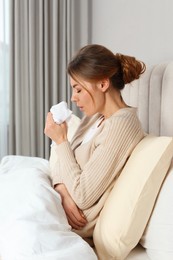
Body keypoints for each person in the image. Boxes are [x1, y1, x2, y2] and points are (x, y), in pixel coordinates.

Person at [44, 44, 146, 244]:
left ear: (102, 84)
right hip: (58, 201)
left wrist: (61, 141)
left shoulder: (122, 126)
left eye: (78, 89)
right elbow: (61, 165)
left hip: (70, 222)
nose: (73, 98)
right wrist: (62, 189)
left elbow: (83, 196)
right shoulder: (94, 118)